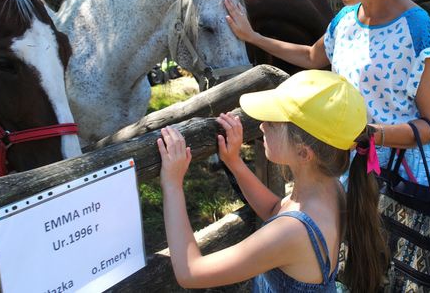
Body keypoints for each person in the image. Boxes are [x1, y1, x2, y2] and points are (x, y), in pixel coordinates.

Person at [225, 0, 430, 291]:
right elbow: (311, 56)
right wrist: (253, 35)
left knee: (413, 273)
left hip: (409, 177)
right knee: (364, 270)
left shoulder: (417, 31)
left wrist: (372, 135)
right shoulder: (344, 20)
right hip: (355, 165)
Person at [157, 70, 387, 292]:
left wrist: (172, 184)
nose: (261, 126)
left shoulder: (292, 231)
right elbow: (275, 209)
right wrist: (235, 163)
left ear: (304, 153)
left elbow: (190, 272)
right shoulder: (330, 188)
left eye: (273, 123)